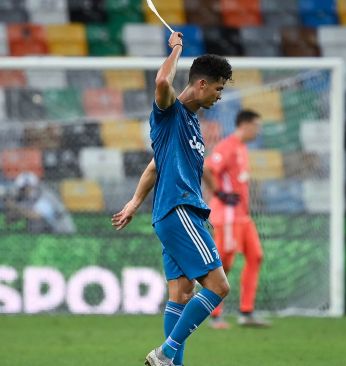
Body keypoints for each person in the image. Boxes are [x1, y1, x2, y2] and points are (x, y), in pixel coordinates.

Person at [111, 31, 232, 366]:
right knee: (220, 287)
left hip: (172, 213)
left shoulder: (190, 124)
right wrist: (177, 48)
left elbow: (154, 167)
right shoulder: (170, 112)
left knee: (181, 295)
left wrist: (135, 202)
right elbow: (163, 80)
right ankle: (164, 355)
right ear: (203, 84)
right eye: (219, 88)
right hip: (180, 211)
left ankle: (171, 364)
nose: (220, 97)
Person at [203, 109, 269, 328]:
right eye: (256, 126)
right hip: (228, 215)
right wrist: (220, 193)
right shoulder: (227, 146)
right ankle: (214, 314)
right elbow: (207, 168)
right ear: (245, 125)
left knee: (256, 256)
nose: (258, 131)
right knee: (224, 263)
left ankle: (246, 312)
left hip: (242, 216)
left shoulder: (241, 148)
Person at [4, 172, 75, 234]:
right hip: (50, 232)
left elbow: (35, 215)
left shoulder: (45, 195)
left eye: (28, 187)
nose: (26, 190)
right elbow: (10, 220)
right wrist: (10, 208)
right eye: (23, 188)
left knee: (34, 223)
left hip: (62, 232)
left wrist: (15, 206)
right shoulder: (28, 198)